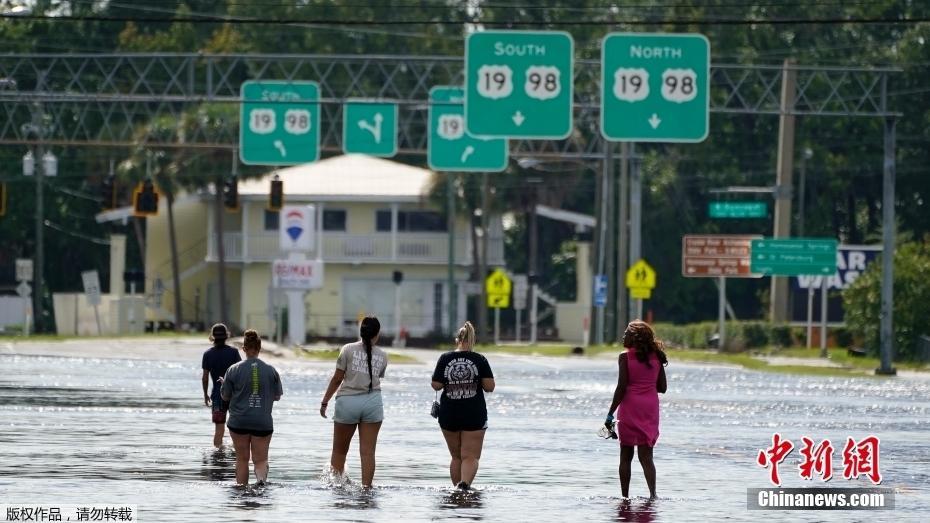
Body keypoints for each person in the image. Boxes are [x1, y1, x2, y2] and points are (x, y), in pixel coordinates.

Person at [320, 316, 388, 488]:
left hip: (348, 402)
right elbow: (376, 376)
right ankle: (366, 489)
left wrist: (325, 401)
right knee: (368, 453)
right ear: (377, 334)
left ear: (361, 331)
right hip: (373, 402)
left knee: (339, 451)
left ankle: (336, 488)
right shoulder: (383, 355)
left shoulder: (348, 349)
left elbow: (337, 379)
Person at [605, 320, 668, 499]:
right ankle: (653, 495)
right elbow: (662, 388)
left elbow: (621, 387)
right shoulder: (657, 356)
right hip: (649, 408)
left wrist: (610, 413)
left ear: (635, 337)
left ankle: (625, 497)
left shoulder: (624, 357)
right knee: (646, 456)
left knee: (626, 455)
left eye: (627, 333)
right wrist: (647, 381)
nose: (623, 336)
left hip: (629, 407)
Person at [431, 321, 495, 491]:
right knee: (470, 456)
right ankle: (464, 485)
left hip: (449, 413)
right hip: (473, 413)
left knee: (456, 456)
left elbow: (436, 385)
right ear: (472, 340)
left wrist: (452, 382)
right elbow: (490, 387)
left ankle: (456, 492)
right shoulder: (480, 359)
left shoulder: (445, 358)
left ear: (457, 339)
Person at [220, 329, 283, 486]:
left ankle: (241, 491)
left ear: (244, 349)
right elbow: (277, 396)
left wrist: (225, 386)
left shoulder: (233, 370)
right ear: (259, 349)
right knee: (260, 460)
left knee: (242, 459)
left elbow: (225, 397)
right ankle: (261, 486)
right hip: (262, 421)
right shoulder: (271, 370)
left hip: (238, 421)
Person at [201, 323, 241, 448]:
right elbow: (241, 372)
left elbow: (205, 377)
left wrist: (205, 394)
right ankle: (236, 456)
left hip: (217, 396)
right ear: (226, 336)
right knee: (235, 430)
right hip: (234, 396)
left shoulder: (208, 354)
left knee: (219, 431)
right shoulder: (234, 353)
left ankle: (217, 458)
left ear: (212, 337)